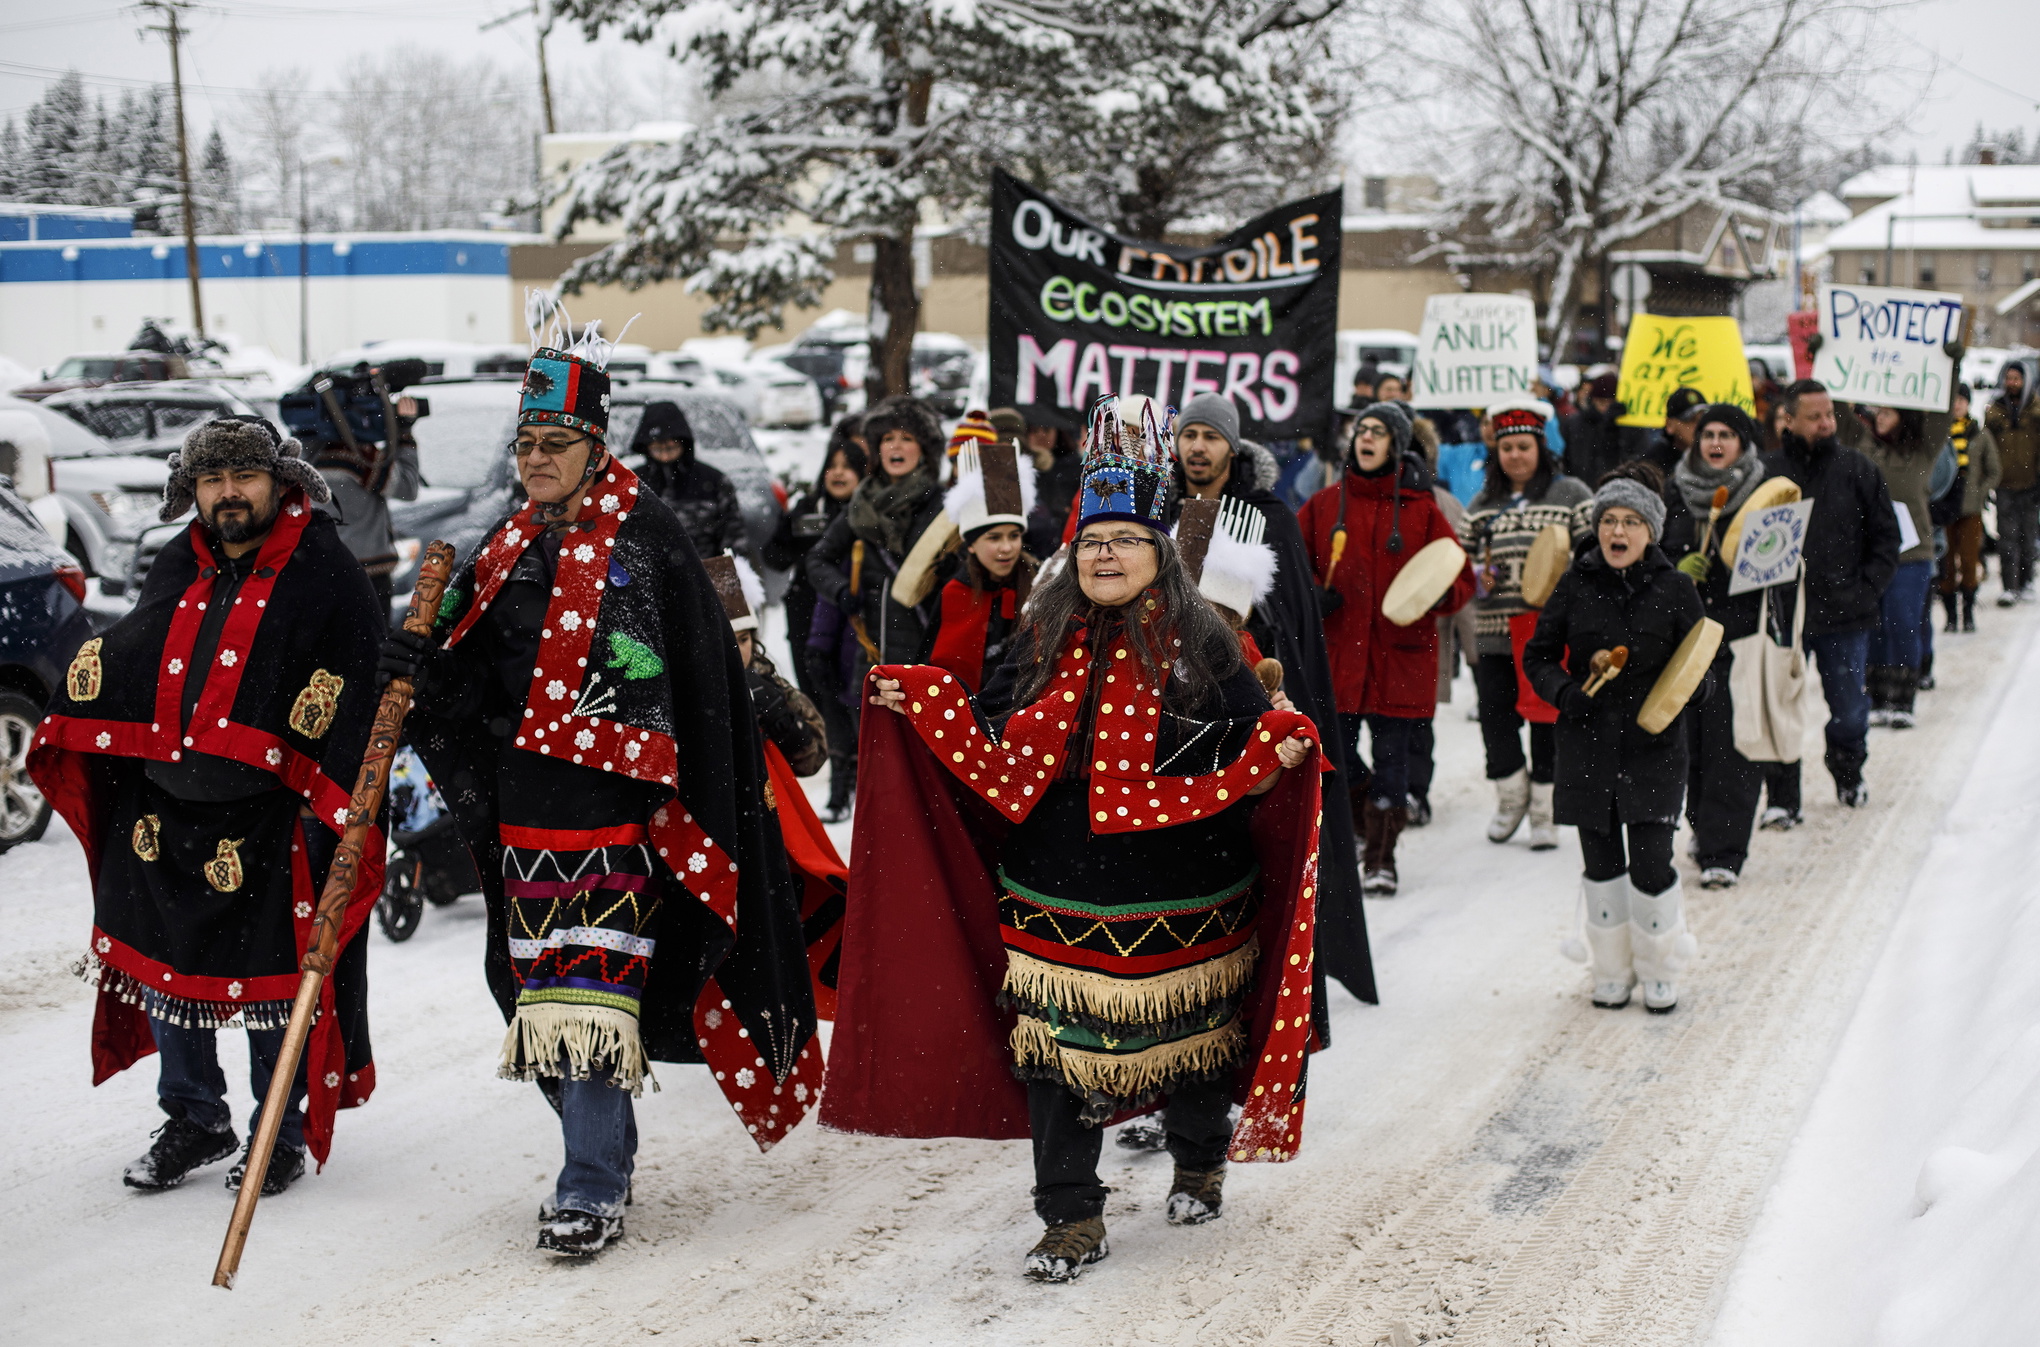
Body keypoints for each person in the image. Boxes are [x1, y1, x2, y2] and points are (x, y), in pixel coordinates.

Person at [825, 395, 1325, 1283]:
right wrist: (920, 703)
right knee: (1052, 1053)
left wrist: (1278, 746)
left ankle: (1200, 1157)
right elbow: (992, 725)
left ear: (1158, 549)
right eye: (1093, 540)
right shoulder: (1044, 629)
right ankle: (1070, 1214)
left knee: (1200, 1039)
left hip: (1187, 883)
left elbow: (1251, 739)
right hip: (1053, 885)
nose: (1105, 554)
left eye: (1126, 539)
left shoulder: (1203, 636)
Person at [391, 337, 822, 1257]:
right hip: (522, 817)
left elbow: (696, 688)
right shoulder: (503, 546)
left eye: (555, 439)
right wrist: (420, 672)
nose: (537, 457)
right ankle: (607, 1152)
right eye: (526, 442)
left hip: (619, 824)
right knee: (534, 1000)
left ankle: (588, 1183)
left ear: (596, 441)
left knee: (590, 994)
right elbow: (469, 684)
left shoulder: (647, 535)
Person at [28, 416, 384, 1196]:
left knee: (266, 983)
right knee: (166, 968)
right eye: (211, 479)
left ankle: (276, 1131)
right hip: (162, 809)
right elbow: (137, 650)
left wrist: (335, 799)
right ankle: (194, 1116)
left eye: (244, 477)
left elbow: (355, 686)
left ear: (279, 481)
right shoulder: (174, 560)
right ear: (190, 489)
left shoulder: (322, 568)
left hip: (270, 817)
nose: (228, 493)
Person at [1166, 390, 1375, 1004]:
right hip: (1174, 707)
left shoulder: (1268, 516)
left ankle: (1264, 976)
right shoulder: (1159, 510)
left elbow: (1289, 619)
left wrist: (1232, 628)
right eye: (1189, 435)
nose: (1198, 447)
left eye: (1210, 436)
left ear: (1232, 446)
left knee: (1256, 849)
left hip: (1246, 699)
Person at [1524, 463, 1707, 1013]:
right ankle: (1610, 970)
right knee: (1601, 863)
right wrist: (1563, 692)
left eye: (1630, 521)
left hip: (1653, 749)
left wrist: (1687, 696)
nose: (1617, 532)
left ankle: (1658, 967)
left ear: (1650, 530)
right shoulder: (1574, 584)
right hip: (1587, 748)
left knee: (1652, 862)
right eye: (1609, 521)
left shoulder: (1676, 589)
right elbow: (1538, 655)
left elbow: (1705, 661)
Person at [1297, 401, 1476, 895]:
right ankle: (1361, 827)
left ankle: (1382, 858)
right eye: (1361, 430)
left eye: (1377, 431)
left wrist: (1436, 593)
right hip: (1340, 662)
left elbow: (1461, 578)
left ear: (1395, 443)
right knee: (1339, 755)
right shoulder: (1324, 504)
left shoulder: (1423, 510)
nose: (1366, 438)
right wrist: (1312, 592)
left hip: (1401, 663)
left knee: (1394, 763)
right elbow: (1289, 565)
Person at [708, 553, 846, 1020]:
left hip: (772, 835)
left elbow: (813, 758)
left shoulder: (767, 682)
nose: (738, 650)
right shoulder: (680, 688)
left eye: (746, 639)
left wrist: (783, 723)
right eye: (729, 639)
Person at [1758, 380, 1901, 818]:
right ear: (1790, 420)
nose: (1825, 424)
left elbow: (1886, 539)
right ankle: (1783, 799)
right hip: (1785, 616)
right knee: (1779, 711)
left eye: (1829, 415)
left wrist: (1866, 590)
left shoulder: (1856, 468)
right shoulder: (1768, 473)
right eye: (1814, 416)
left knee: (1849, 709)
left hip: (1845, 614)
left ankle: (1848, 773)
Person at [1459, 403, 1595, 850]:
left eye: (1524, 446)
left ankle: (1544, 810)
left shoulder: (1571, 493)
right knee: (1495, 720)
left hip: (1548, 636)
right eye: (1506, 447)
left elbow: (1593, 556)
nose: (1515, 455)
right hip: (1496, 631)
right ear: (1495, 451)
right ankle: (1510, 798)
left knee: (1545, 721)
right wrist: (1480, 578)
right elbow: (1460, 566)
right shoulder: (1479, 506)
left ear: (1541, 446)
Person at [1661, 405, 1769, 887]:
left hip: (1741, 636)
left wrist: (1740, 571)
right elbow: (1652, 555)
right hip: (1686, 641)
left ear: (1743, 443)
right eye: (1708, 434)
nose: (1716, 443)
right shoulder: (1673, 491)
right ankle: (1704, 829)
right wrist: (1675, 571)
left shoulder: (1766, 495)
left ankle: (1725, 849)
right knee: (1692, 747)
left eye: (1727, 434)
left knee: (1731, 747)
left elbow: (1782, 563)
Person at [764, 418, 867, 819]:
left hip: (853, 620)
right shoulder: (807, 509)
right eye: (833, 465)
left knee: (852, 698)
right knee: (818, 692)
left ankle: (853, 779)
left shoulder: (868, 514)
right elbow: (775, 554)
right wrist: (793, 525)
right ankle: (837, 777)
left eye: (848, 466)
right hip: (809, 616)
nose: (838, 473)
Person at [805, 396, 947, 665]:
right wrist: (842, 590)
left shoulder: (942, 505)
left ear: (924, 449)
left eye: (907, 438)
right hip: (873, 658)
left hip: (928, 654)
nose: (896, 445)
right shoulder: (861, 504)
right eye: (887, 438)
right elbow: (817, 559)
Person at [295, 362, 423, 618]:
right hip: (367, 576)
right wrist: (405, 433)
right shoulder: (358, 459)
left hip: (322, 572)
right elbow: (408, 487)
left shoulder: (308, 456)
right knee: (371, 651)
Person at [1856, 403, 1952, 729]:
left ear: (1904, 416)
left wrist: (1950, 361)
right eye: (1877, 412)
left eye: (1887, 412)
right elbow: (1838, 410)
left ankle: (1902, 699)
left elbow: (1942, 412)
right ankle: (1877, 697)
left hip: (1912, 555)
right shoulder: (1864, 447)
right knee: (1874, 626)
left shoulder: (1923, 451)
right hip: (1871, 553)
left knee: (1903, 623)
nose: (1878, 417)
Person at [920, 442, 1037, 691]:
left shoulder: (1038, 585)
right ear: (971, 544)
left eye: (1014, 536)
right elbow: (933, 673)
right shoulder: (954, 594)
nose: (1006, 548)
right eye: (994, 538)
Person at [630, 400, 748, 561]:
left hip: (705, 575)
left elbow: (734, 536)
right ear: (646, 447)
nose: (665, 456)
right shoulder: (633, 484)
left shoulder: (713, 482)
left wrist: (728, 572)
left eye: (671, 448)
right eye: (657, 449)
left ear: (683, 443)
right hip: (649, 578)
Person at [1937, 385, 2001, 633]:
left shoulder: (1979, 434)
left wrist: (1980, 491)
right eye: (1954, 400)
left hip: (1970, 508)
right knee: (1946, 564)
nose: (1957, 405)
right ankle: (1951, 615)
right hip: (1944, 508)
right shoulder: (1940, 434)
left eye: (1962, 400)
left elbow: (1994, 470)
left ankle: (1969, 612)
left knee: (1969, 560)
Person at [1987, 358, 2038, 606]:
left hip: (2030, 484)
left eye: (2016, 378)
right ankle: (2009, 586)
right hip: (2004, 484)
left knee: (2028, 537)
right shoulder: (1994, 411)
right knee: (2006, 538)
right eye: (2009, 378)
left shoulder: (2036, 410)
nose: (2012, 383)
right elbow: (1986, 449)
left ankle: (2027, 581)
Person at [1015, 409, 1084, 555]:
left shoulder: (1075, 467)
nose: (1041, 435)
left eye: (1046, 429)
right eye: (1034, 430)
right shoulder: (1018, 467)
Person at [1561, 372, 1639, 486]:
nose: (1605, 408)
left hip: (1616, 487)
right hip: (1581, 486)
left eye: (1610, 404)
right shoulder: (1575, 423)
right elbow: (1565, 458)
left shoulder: (1629, 426)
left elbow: (1636, 457)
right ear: (1593, 400)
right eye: (1601, 403)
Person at [1643, 387, 1707, 474]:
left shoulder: (1716, 458)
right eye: (1691, 420)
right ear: (1670, 425)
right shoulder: (1651, 467)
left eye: (1703, 419)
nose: (1699, 426)